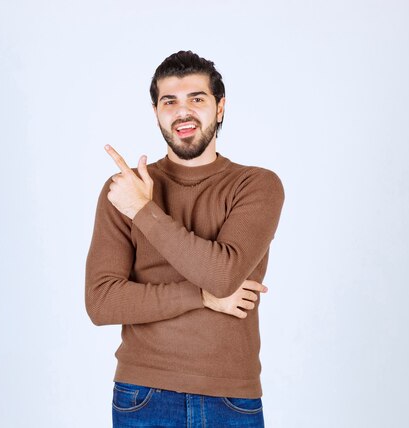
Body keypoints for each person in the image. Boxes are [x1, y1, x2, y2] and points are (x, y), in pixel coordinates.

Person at [85, 50, 285, 427]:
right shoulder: (123, 190)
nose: (183, 111)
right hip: (142, 392)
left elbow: (223, 275)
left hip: (230, 396)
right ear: (156, 112)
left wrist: (144, 211)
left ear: (220, 108)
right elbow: (102, 302)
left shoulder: (256, 184)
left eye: (197, 98)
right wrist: (202, 296)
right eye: (169, 102)